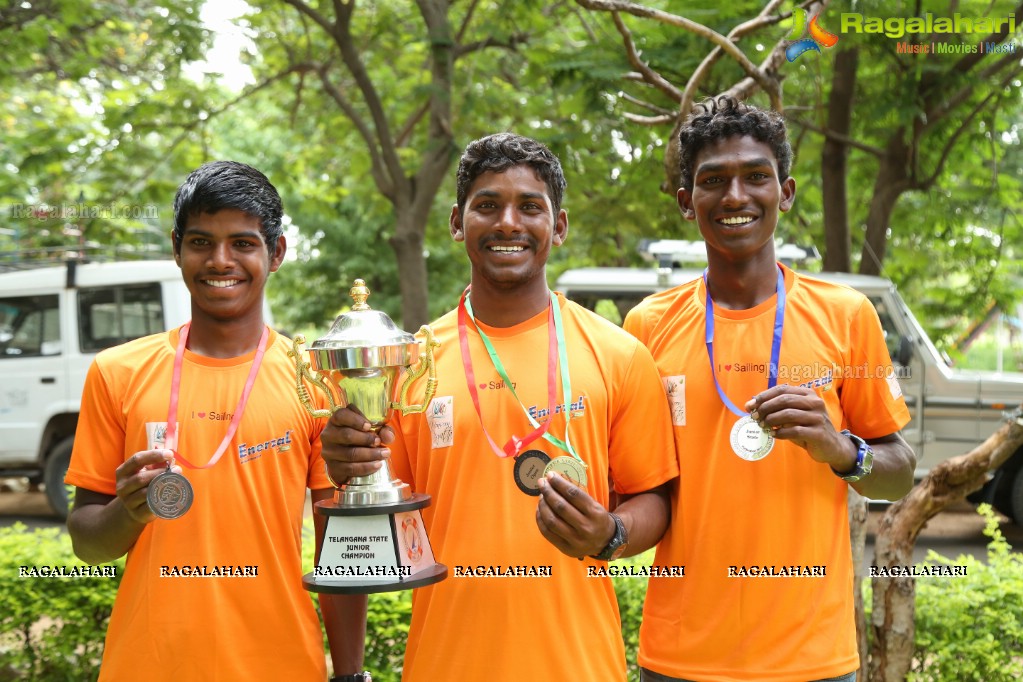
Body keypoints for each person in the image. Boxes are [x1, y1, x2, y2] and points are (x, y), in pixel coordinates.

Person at [321, 133, 679, 680]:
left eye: (529, 207)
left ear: (558, 227)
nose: (508, 222)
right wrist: (348, 463)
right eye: (487, 205)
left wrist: (610, 533)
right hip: (445, 663)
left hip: (579, 665)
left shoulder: (618, 353)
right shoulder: (409, 363)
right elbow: (383, 516)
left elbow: (654, 496)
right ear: (457, 224)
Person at [624, 96, 916, 682]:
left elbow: (900, 470)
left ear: (785, 192)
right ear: (687, 202)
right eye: (713, 181)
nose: (735, 197)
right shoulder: (647, 326)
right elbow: (637, 488)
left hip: (813, 658)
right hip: (682, 656)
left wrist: (841, 450)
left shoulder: (847, 315)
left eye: (756, 176)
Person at [65, 161, 365, 681]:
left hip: (281, 664)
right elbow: (86, 541)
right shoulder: (117, 372)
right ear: (177, 248)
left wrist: (350, 675)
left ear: (277, 253)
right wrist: (128, 512)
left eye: (243, 243)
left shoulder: (316, 381)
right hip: (147, 665)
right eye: (202, 242)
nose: (220, 260)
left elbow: (339, 547)